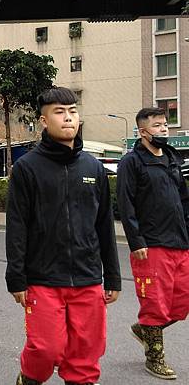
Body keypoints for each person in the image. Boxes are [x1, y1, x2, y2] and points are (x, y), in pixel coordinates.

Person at [6, 87, 121, 385]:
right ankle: (28, 378)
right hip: (43, 278)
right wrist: (16, 277)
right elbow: (17, 225)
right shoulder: (27, 168)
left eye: (72, 112)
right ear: (44, 121)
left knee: (85, 354)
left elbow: (104, 225)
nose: (68, 118)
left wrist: (113, 276)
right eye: (59, 112)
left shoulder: (93, 167)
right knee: (46, 349)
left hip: (88, 278)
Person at [117, 107, 189, 380]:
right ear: (143, 131)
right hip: (151, 244)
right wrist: (136, 241)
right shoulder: (132, 162)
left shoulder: (172, 158)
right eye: (158, 126)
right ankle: (154, 358)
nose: (163, 130)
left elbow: (183, 200)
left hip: (179, 242)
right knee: (155, 304)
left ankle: (144, 328)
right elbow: (126, 204)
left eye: (165, 126)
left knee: (181, 303)